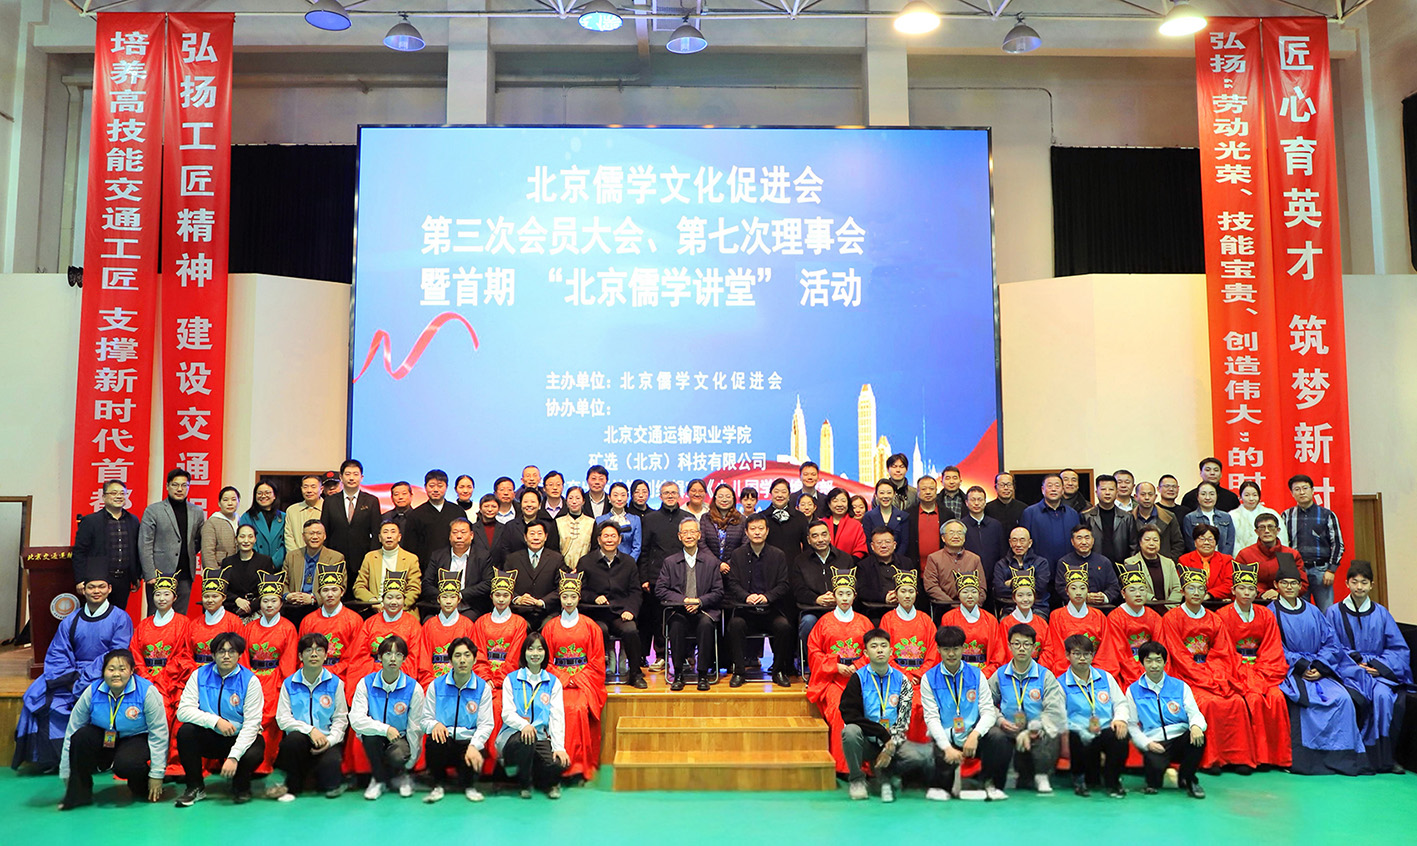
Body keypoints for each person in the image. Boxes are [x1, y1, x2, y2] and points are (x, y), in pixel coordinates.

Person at [13, 576, 133, 772]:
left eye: (101, 587)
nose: (96, 591)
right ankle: (53, 759)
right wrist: (69, 678)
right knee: (38, 697)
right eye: (91, 587)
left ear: (109, 589)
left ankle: (98, 759)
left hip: (104, 675)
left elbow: (117, 653)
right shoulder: (71, 619)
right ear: (83, 590)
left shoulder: (121, 618)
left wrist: (86, 678)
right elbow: (58, 651)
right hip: (70, 675)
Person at [1272, 557, 1374, 775]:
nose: (1289, 587)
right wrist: (1301, 665)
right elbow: (1274, 646)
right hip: (1292, 670)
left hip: (1320, 668)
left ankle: (1345, 758)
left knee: (1343, 699)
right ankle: (1308, 760)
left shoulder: (1313, 611)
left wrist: (1320, 666)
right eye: (1284, 583)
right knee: (1304, 703)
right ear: (1276, 585)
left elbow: (1331, 643)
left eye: (1294, 583)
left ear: (1300, 586)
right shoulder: (1270, 612)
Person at [1159, 568, 1257, 770]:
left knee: (1236, 701)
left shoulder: (1214, 619)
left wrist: (1215, 674)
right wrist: (1202, 675)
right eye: (1191, 588)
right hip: (1185, 674)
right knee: (1209, 703)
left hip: (1213, 671)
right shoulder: (1171, 618)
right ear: (1183, 591)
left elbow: (1222, 651)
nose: (1196, 593)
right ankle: (1211, 758)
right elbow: (1177, 654)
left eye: (1200, 589)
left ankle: (1238, 758)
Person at [57, 649, 167, 809]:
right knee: (80, 736)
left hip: (135, 738)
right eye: (111, 669)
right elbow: (72, 730)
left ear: (132, 671)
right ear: (103, 672)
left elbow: (159, 733)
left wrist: (156, 775)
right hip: (106, 737)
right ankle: (79, 794)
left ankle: (141, 784)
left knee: (127, 764)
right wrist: (66, 772)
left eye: (122, 669)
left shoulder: (147, 692)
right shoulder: (92, 691)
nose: (116, 674)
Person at [1327, 560, 1408, 773]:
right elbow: (1331, 646)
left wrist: (1379, 667)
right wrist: (1356, 664)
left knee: (1383, 697)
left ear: (1371, 585)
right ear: (1346, 583)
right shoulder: (1334, 612)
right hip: (1349, 673)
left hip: (1377, 673)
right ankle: (1358, 756)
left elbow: (1398, 648)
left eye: (1364, 582)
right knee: (1351, 699)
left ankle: (1384, 758)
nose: (1359, 587)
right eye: (1354, 582)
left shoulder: (1381, 613)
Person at [838, 627, 933, 802]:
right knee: (850, 732)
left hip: (893, 741)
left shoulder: (903, 680)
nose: (879, 650)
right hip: (868, 741)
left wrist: (890, 747)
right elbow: (850, 715)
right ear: (866, 653)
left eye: (883, 645)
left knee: (927, 754)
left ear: (891, 651)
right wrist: (882, 734)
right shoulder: (858, 679)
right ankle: (857, 780)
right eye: (874, 646)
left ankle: (889, 775)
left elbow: (903, 720)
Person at [174, 631, 265, 806]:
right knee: (186, 732)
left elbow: (252, 724)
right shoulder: (199, 675)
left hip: (238, 736)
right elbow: (183, 711)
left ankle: (241, 786)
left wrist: (234, 757)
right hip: (211, 735)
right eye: (221, 651)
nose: (226, 656)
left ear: (239, 654)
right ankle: (195, 787)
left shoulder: (250, 681)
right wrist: (215, 721)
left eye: (231, 651)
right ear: (213, 654)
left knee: (255, 750)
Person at [920, 625, 1009, 801]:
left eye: (955, 649)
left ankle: (991, 784)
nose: (951, 654)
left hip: (972, 735)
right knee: (941, 791)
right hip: (946, 736)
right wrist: (946, 747)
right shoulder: (928, 679)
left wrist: (975, 735)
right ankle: (941, 785)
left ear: (963, 648)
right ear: (938, 649)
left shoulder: (977, 675)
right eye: (946, 649)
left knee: (999, 737)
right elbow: (931, 718)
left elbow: (988, 712)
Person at [1216, 564, 1293, 769]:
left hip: (1263, 669)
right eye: (1241, 588)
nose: (1247, 593)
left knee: (1276, 697)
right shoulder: (1222, 616)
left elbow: (1271, 648)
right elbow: (1223, 651)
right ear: (1233, 590)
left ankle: (1276, 757)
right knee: (1254, 699)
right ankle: (1254, 757)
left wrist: (1260, 673)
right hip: (1235, 670)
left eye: (1251, 588)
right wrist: (1245, 673)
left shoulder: (1266, 615)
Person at [805, 568, 874, 774]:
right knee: (838, 711)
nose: (844, 598)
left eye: (848, 594)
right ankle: (844, 766)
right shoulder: (824, 622)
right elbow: (814, 650)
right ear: (834, 596)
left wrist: (858, 665)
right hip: (833, 680)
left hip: (860, 679)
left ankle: (867, 763)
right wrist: (834, 666)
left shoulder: (864, 622)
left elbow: (873, 649)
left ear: (855, 595)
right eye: (840, 594)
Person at [539, 573, 607, 781]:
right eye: (565, 596)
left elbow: (596, 661)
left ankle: (578, 764)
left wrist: (575, 679)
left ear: (579, 597)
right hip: (557, 683)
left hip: (583, 683)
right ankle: (554, 763)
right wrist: (563, 678)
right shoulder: (550, 627)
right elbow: (545, 661)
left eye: (573, 597)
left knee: (577, 708)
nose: (568, 601)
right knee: (558, 708)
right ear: (560, 597)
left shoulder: (591, 627)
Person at [988, 623, 1066, 794]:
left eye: (1026, 644)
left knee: (1052, 728)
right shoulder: (1000, 674)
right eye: (1016, 644)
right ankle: (998, 777)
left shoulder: (1046, 676)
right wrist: (1000, 720)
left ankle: (1042, 775)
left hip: (1037, 729)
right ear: (1009, 646)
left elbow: (1054, 709)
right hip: (1008, 728)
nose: (1021, 648)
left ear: (1034, 647)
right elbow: (986, 703)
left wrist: (1033, 729)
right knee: (993, 734)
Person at [271, 634, 348, 801]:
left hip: (327, 740)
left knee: (329, 783)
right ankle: (292, 788)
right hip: (301, 740)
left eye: (319, 650)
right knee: (292, 741)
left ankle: (316, 777)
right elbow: (283, 719)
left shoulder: (336, 683)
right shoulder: (289, 683)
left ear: (326, 655)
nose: (314, 654)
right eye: (308, 650)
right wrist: (310, 730)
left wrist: (330, 741)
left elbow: (341, 718)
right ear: (300, 656)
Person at [1125, 641, 1207, 797]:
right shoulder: (1133, 691)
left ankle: (1189, 779)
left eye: (1158, 660)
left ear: (1165, 662)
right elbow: (1131, 725)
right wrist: (1147, 743)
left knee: (1197, 738)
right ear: (1142, 662)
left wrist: (1196, 726)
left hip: (1179, 738)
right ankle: (1160, 776)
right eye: (1149, 661)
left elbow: (1194, 713)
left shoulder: (1180, 686)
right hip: (1155, 741)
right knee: (1154, 782)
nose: (1154, 665)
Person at [349, 635, 426, 800]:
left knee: (399, 755)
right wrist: (385, 729)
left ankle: (402, 775)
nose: (393, 659)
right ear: (379, 657)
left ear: (404, 659)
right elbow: (356, 720)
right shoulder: (365, 684)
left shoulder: (414, 688)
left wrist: (411, 761)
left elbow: (415, 728)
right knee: (370, 737)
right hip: (374, 735)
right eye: (388, 654)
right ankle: (378, 781)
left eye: (398, 654)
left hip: (400, 738)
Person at [724, 513, 795, 688]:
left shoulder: (778, 555)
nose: (757, 532)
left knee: (784, 626)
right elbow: (732, 583)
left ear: (767, 531)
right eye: (753, 529)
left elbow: (784, 584)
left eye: (761, 528)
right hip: (745, 610)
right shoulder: (737, 554)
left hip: (771, 610)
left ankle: (778, 671)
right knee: (735, 625)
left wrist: (767, 596)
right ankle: (739, 672)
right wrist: (746, 596)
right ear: (746, 532)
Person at [421, 637, 494, 803]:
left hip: (467, 744)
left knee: (477, 751)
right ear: (450, 660)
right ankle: (437, 785)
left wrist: (475, 745)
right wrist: (434, 725)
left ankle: (470, 786)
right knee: (433, 740)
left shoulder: (483, 688)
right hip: (444, 741)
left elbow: (486, 724)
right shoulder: (436, 685)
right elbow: (425, 720)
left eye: (467, 655)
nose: (462, 660)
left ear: (474, 659)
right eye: (457, 655)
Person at [498, 632, 571, 799]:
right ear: (524, 652)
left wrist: (559, 747)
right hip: (513, 736)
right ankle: (524, 783)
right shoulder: (511, 679)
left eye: (539, 649)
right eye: (530, 649)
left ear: (545, 653)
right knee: (526, 740)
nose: (535, 653)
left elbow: (556, 717)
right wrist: (523, 725)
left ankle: (542, 780)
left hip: (539, 737)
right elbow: (507, 713)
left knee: (560, 763)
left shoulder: (553, 682)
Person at [1058, 633, 1130, 798]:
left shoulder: (1105, 678)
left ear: (1093, 655)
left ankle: (1113, 781)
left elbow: (1121, 703)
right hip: (1078, 731)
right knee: (1075, 737)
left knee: (1119, 735)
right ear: (1067, 655)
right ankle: (1079, 778)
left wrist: (1120, 719)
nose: (1082, 658)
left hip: (1104, 728)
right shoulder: (1060, 684)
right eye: (1077, 654)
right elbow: (1059, 716)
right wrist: (1079, 729)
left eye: (1087, 654)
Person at [657, 517, 723, 691]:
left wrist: (699, 602)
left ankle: (703, 674)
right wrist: (683, 600)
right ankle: (678, 673)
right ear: (679, 536)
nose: (689, 536)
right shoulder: (670, 562)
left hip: (704, 611)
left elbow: (718, 591)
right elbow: (661, 590)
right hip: (679, 610)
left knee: (706, 625)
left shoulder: (711, 562)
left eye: (692, 532)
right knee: (676, 625)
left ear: (699, 535)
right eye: (685, 532)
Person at [244, 573, 300, 773]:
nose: (269, 605)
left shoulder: (288, 628)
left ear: (280, 603)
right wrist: (246, 680)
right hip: (253, 678)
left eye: (273, 600)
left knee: (270, 719)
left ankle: (265, 762)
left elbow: (289, 659)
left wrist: (283, 684)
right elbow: (243, 657)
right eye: (265, 601)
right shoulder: (249, 628)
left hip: (275, 678)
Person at [130, 574, 192, 751]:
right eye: (158, 594)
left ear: (175, 597)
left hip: (173, 682)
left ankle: (171, 758)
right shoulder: (144, 625)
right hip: (145, 681)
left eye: (166, 594)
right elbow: (135, 654)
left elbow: (184, 655)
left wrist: (163, 679)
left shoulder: (183, 623)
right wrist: (148, 679)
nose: (161, 598)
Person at [581, 521, 646, 688]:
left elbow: (635, 591)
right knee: (599, 630)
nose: (609, 540)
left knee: (631, 630)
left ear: (619, 539)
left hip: (620, 613)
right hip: (596, 613)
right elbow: (580, 591)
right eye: (605, 536)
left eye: (613, 536)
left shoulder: (628, 562)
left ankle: (635, 674)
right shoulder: (586, 561)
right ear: (599, 539)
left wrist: (630, 610)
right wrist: (594, 597)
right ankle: (598, 673)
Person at [877, 569, 937, 742]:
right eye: (903, 591)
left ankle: (921, 750)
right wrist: (904, 676)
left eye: (911, 591)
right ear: (896, 594)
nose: (907, 595)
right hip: (895, 678)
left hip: (921, 679)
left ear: (916, 594)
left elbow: (933, 653)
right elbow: (883, 652)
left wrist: (918, 674)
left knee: (922, 706)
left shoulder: (926, 620)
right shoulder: (887, 620)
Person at [139, 468, 206, 613]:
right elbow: (145, 543)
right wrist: (149, 573)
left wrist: (188, 552)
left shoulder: (197, 511)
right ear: (167, 486)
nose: (179, 489)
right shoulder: (153, 510)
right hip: (159, 573)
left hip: (185, 573)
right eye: (175, 485)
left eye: (184, 485)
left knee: (180, 616)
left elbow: (199, 540)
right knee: (156, 615)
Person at [349, 572, 431, 689]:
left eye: (398, 598)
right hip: (373, 677)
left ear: (404, 600)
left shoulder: (413, 624)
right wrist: (379, 673)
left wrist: (392, 674)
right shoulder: (370, 623)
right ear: (382, 600)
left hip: (401, 678)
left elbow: (414, 658)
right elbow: (359, 657)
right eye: (389, 597)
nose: (393, 602)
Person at [72, 480, 142, 614]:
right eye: (114, 493)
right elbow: (80, 552)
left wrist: (136, 575)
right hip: (98, 581)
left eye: (122, 493)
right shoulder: (91, 521)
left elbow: (136, 550)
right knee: (96, 616)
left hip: (123, 580)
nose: (119, 496)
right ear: (104, 497)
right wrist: (80, 579)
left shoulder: (133, 520)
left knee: (118, 616)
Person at [1281, 474, 1345, 611]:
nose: (1302, 492)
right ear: (1292, 493)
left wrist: (1331, 570)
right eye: (1297, 489)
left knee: (1326, 612)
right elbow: (1283, 545)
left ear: (1313, 490)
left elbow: (1338, 544)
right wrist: (1288, 571)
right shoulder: (1286, 516)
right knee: (1300, 612)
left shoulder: (1327, 515)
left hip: (1321, 570)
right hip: (1297, 571)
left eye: (1305, 488)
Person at [296, 563, 363, 684]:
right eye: (325, 590)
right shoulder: (308, 621)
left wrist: (333, 672)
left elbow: (356, 656)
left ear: (342, 592)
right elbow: (301, 654)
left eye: (334, 590)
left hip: (342, 677)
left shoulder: (354, 620)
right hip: (312, 675)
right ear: (319, 593)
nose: (330, 594)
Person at [321, 459, 381, 593]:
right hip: (335, 558)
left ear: (361, 477)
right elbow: (325, 532)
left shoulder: (371, 501)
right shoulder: (330, 501)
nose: (351, 478)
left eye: (355, 474)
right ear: (341, 477)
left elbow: (376, 532)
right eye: (348, 474)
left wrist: (372, 558)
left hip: (362, 558)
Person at [1100, 566, 1163, 689]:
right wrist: (1139, 673)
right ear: (1123, 594)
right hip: (1126, 670)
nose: (1138, 594)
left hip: (1152, 666)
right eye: (1132, 590)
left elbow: (1160, 647)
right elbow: (1120, 652)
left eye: (1142, 589)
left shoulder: (1154, 616)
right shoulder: (1115, 618)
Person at [1041, 570, 1111, 677]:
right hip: (1066, 670)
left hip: (1095, 670)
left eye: (1082, 588)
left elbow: (1106, 650)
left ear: (1088, 591)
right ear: (1067, 591)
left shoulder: (1099, 616)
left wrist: (1095, 672)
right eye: (1073, 588)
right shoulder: (1057, 616)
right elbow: (1058, 650)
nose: (1078, 592)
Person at [499, 522, 563, 632]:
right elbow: (504, 585)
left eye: (539, 533)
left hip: (548, 611)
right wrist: (517, 598)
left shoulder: (557, 559)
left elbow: (561, 588)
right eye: (532, 534)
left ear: (546, 537)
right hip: (520, 611)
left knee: (549, 627)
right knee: (519, 628)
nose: (536, 538)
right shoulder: (512, 559)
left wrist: (542, 601)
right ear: (525, 537)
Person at [422, 516, 490, 619]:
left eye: (463, 532)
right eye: (455, 532)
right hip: (440, 607)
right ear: (450, 536)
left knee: (466, 622)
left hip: (469, 606)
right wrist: (444, 597)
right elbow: (426, 583)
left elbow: (488, 583)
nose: (459, 536)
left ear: (471, 535)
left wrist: (460, 595)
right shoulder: (438, 556)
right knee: (429, 621)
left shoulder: (482, 556)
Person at [280, 519, 345, 625]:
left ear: (324, 536)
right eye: (311, 533)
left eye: (318, 533)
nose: (315, 537)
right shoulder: (292, 556)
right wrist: (287, 596)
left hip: (320, 607)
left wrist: (313, 598)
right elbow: (283, 582)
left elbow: (341, 586)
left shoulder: (336, 558)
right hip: (293, 608)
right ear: (303, 536)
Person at [940, 573, 1004, 675]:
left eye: (974, 592)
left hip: (984, 672)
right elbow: (943, 650)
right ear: (958, 594)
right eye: (965, 592)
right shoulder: (949, 618)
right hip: (956, 671)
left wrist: (984, 674)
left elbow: (998, 653)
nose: (970, 596)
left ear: (979, 594)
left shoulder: (990, 620)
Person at [1234, 512, 1307, 601]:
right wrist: (1261, 593)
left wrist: (1279, 593)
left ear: (1278, 530)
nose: (1267, 531)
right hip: (1254, 600)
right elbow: (1239, 584)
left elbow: (1302, 584)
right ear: (1256, 532)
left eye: (1271, 527)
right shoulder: (1245, 554)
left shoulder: (1291, 554)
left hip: (1285, 600)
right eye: (1262, 528)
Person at [354, 521, 422, 614]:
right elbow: (359, 586)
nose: (389, 536)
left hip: (403, 610)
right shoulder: (370, 557)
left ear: (399, 537)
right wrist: (373, 601)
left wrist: (398, 606)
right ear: (379, 538)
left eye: (393, 532)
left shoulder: (411, 559)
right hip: (376, 610)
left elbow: (414, 589)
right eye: (385, 532)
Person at [183, 566, 244, 669]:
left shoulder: (234, 622)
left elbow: (240, 654)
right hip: (198, 672)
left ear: (223, 598)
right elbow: (186, 653)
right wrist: (195, 672)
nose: (210, 600)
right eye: (206, 596)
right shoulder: (194, 624)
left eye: (215, 596)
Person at [424, 569, 479, 679]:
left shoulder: (468, 625)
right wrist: (429, 683)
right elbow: (423, 660)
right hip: (433, 679)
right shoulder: (429, 625)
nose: (448, 601)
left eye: (453, 597)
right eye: (444, 597)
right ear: (438, 599)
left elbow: (473, 657)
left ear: (459, 600)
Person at [405, 469, 463, 570]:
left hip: (455, 566)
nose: (436, 490)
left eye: (440, 486)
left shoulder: (457, 512)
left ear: (446, 487)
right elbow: (410, 547)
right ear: (425, 487)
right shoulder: (416, 515)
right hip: (425, 568)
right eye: (431, 486)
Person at [923, 520, 987, 611]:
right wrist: (952, 605)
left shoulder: (974, 559)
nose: (956, 536)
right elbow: (931, 587)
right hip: (944, 607)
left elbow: (982, 588)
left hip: (972, 609)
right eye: (951, 533)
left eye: (959, 533)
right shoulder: (934, 558)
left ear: (964, 538)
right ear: (943, 538)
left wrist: (972, 605)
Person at [1018, 474, 1080, 567]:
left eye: (1057, 486)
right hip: (1038, 568)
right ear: (1043, 490)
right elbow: (1023, 543)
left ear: (1063, 490)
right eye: (1050, 486)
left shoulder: (1073, 514)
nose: (1053, 489)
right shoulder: (1030, 513)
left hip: (1068, 568)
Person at [1054, 525, 1120, 608]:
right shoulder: (1064, 562)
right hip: (1075, 607)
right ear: (1072, 541)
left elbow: (1114, 586)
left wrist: (1103, 597)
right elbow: (1060, 588)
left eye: (1087, 538)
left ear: (1093, 541)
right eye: (1079, 538)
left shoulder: (1104, 561)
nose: (1084, 542)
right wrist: (1083, 597)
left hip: (1102, 607)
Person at [221, 524, 277, 619]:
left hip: (259, 610)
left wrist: (251, 606)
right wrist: (237, 600)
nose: (246, 540)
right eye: (242, 536)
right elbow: (223, 589)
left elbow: (269, 588)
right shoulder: (227, 562)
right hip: (233, 609)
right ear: (236, 539)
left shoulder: (265, 561)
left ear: (255, 539)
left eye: (250, 537)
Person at [991, 527, 1053, 611]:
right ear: (1010, 543)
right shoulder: (1001, 565)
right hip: (1009, 607)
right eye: (1014, 540)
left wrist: (1011, 583)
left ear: (1030, 543)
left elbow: (1040, 589)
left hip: (1037, 606)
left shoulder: (1041, 563)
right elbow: (999, 590)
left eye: (1022, 540)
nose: (1018, 544)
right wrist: (1029, 585)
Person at [856, 526, 916, 613]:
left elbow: (916, 587)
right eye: (879, 542)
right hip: (875, 611)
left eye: (888, 542)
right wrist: (884, 597)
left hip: (903, 609)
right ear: (872, 546)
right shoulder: (864, 565)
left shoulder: (906, 563)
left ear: (894, 545)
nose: (883, 546)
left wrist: (900, 595)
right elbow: (862, 591)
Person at [1079, 475, 1136, 566]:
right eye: (1103, 489)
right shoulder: (1086, 516)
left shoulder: (1127, 517)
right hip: (1094, 565)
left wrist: (1130, 565)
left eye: (1111, 489)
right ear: (1096, 492)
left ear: (1117, 492)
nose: (1107, 493)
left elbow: (1133, 545)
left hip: (1121, 566)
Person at [1123, 525, 1182, 608]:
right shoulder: (1130, 563)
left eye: (1155, 540)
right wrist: (1154, 602)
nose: (1151, 543)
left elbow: (1177, 588)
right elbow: (1133, 589)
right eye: (1147, 540)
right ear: (1140, 542)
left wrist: (1169, 606)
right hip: (1143, 608)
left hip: (1169, 609)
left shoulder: (1169, 563)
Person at [997, 572, 1048, 663]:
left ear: (1034, 597)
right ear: (1014, 598)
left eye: (1029, 595)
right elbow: (1003, 651)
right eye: (1020, 595)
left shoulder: (1042, 623)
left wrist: (1038, 668)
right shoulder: (1006, 623)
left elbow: (1048, 650)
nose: (1025, 599)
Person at [1129, 481, 1186, 561]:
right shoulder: (1128, 517)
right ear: (1135, 497)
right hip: (1136, 564)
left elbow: (1178, 543)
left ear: (1155, 496)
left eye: (1150, 494)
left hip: (1163, 564)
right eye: (1143, 494)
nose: (1147, 498)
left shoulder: (1169, 516)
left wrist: (1169, 561)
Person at [1177, 524, 1235, 602]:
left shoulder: (1226, 560)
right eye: (1202, 539)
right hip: (1193, 603)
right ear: (1195, 542)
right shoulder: (1184, 560)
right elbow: (1183, 586)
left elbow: (1229, 584)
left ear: (1216, 543)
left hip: (1219, 602)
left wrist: (1209, 595)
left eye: (1210, 539)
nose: (1206, 543)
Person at [200, 487, 243, 589]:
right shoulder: (212, 522)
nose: (230, 503)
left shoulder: (241, 520)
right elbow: (208, 552)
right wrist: (214, 576)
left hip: (238, 572)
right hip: (220, 570)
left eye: (233, 499)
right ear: (219, 503)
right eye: (225, 500)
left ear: (238, 502)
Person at [1229, 481, 1289, 551]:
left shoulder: (1271, 513)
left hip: (1270, 554)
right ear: (1240, 497)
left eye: (1254, 495)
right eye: (1247, 495)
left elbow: (1282, 537)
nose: (1251, 498)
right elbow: (1232, 541)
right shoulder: (1233, 516)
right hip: (1241, 555)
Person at [1181, 482, 1237, 556]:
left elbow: (1230, 542)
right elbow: (1190, 543)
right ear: (1197, 497)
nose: (1207, 497)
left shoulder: (1226, 517)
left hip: (1223, 560)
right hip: (1199, 560)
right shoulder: (1190, 518)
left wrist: (1221, 559)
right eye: (1203, 494)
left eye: (1212, 494)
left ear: (1217, 496)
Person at [241, 480, 288, 567]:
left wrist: (275, 562)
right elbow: (246, 541)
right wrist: (261, 562)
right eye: (259, 493)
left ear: (274, 496)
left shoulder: (284, 517)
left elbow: (286, 542)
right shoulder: (247, 517)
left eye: (267, 493)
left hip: (279, 566)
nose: (263, 496)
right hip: (254, 565)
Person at [961, 486, 1006, 576]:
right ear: (966, 503)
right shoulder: (961, 526)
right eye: (973, 500)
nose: (976, 503)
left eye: (980, 500)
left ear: (985, 502)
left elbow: (1002, 552)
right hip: (968, 575)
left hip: (994, 575)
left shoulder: (995, 525)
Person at [594, 482, 643, 562]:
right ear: (609, 497)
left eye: (623, 495)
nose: (619, 499)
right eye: (615, 495)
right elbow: (597, 546)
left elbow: (637, 547)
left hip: (628, 564)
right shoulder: (600, 520)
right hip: (604, 564)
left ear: (627, 497)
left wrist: (628, 563)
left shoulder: (635, 520)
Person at [764, 478, 810, 561]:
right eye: (776, 492)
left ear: (789, 495)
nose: (780, 495)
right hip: (768, 565)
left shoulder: (799, 517)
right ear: (771, 494)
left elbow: (807, 546)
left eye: (784, 492)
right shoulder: (762, 517)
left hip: (794, 565)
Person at [701, 483, 746, 564]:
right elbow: (701, 543)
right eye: (720, 496)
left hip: (735, 565)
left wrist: (730, 563)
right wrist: (717, 563)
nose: (724, 500)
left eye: (728, 496)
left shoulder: (741, 519)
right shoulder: (705, 518)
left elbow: (745, 545)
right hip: (709, 565)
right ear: (715, 498)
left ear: (733, 499)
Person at [861, 478, 909, 553]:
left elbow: (904, 542)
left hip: (897, 558)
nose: (885, 496)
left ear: (894, 494)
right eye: (882, 493)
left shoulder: (903, 516)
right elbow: (868, 541)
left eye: (889, 493)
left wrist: (896, 558)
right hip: (874, 558)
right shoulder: (868, 516)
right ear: (876, 495)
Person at [283, 475, 325, 557]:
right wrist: (297, 557)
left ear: (321, 489)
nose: (309, 490)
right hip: (297, 557)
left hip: (323, 558)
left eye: (313, 487)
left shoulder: (328, 507)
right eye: (305, 487)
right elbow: (288, 536)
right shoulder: (292, 510)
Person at [555, 486, 596, 568]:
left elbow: (594, 549)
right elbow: (554, 549)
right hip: (561, 569)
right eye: (570, 498)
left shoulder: (591, 522)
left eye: (578, 498)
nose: (574, 501)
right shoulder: (558, 522)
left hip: (586, 568)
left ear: (583, 501)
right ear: (566, 501)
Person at [821, 488, 867, 559]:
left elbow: (860, 549)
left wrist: (849, 562)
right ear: (829, 504)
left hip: (850, 564)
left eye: (843, 501)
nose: (839, 504)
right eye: (835, 501)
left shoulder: (856, 525)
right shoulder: (821, 524)